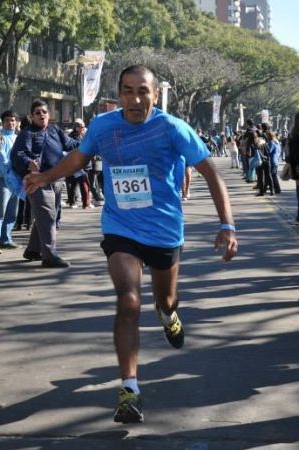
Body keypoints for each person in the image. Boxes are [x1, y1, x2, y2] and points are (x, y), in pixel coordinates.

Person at [23, 65, 238, 424]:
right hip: (121, 226)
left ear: (155, 94)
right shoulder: (104, 125)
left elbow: (210, 172)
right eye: (127, 91)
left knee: (165, 300)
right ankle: (129, 388)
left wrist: (227, 224)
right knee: (128, 300)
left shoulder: (172, 128)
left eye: (143, 91)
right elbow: (81, 157)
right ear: (118, 93)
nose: (135, 99)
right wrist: (45, 177)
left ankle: (168, 314)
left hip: (165, 229)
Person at [11, 99, 81, 268]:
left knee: (47, 216)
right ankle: (49, 255)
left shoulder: (55, 130)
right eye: (38, 112)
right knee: (48, 217)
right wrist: (29, 162)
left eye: (44, 112)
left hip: (57, 179)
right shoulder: (28, 133)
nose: (42, 115)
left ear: (49, 115)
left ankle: (33, 250)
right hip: (38, 181)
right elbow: (18, 154)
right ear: (31, 116)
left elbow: (70, 144)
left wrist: (90, 144)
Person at [0, 110, 21, 254]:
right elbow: (2, 159)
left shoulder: (18, 138)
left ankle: (5, 239)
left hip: (16, 180)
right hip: (2, 179)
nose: (10, 122)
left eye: (13, 120)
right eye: (7, 120)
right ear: (2, 122)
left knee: (12, 212)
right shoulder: (0, 138)